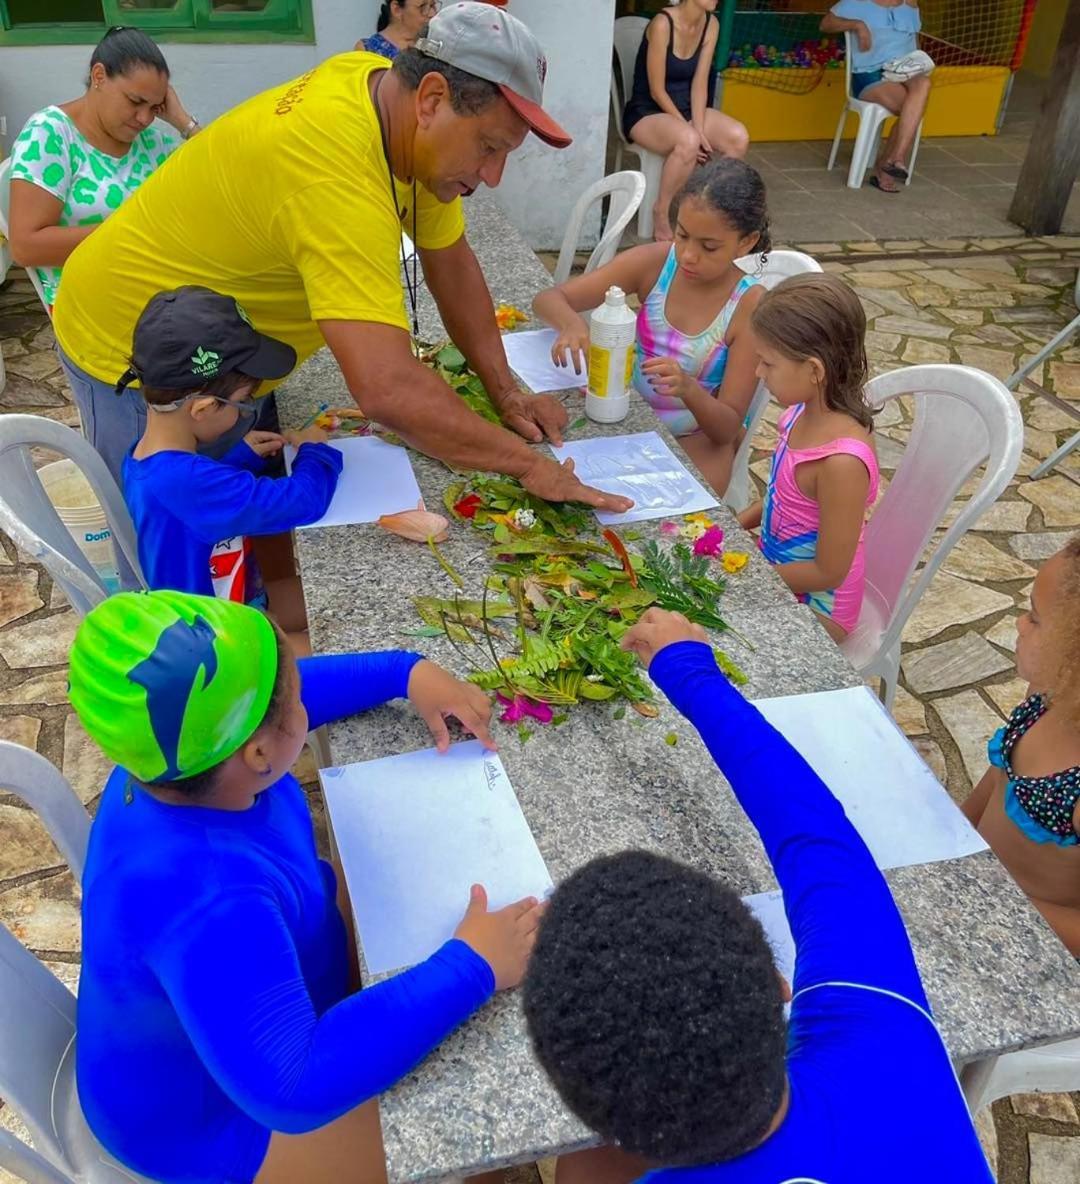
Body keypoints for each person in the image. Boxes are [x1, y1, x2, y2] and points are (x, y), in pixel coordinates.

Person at [51, 3, 630, 515]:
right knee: (166, 553)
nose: (492, 175)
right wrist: (531, 467)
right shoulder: (334, 172)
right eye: (489, 147)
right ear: (431, 98)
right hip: (136, 346)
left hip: (231, 353)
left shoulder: (383, 91)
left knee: (235, 523)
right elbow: (386, 386)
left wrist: (505, 391)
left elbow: (449, 260)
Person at [68, 588, 542, 1184]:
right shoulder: (210, 900)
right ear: (261, 751)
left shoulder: (177, 750)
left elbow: (290, 698)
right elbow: (293, 1087)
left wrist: (406, 672)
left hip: (242, 1030)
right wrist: (475, 964)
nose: (305, 698)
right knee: (488, 1112)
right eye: (293, 700)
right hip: (217, 1127)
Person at [522, 607, 995, 1184]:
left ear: (570, 1109)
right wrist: (687, 670)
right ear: (779, 989)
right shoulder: (885, 1032)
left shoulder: (878, 1026)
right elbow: (816, 836)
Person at [120, 287, 343, 655]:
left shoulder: (148, 459)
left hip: (235, 606)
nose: (244, 412)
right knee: (343, 647)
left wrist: (238, 459)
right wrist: (314, 450)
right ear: (204, 409)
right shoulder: (187, 482)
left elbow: (195, 502)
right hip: (215, 651)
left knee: (338, 599)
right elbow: (303, 501)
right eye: (242, 402)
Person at [533, 159, 766, 498]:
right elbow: (548, 298)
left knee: (675, 520)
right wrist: (572, 324)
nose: (687, 255)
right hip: (629, 414)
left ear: (746, 242)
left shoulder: (747, 306)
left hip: (696, 436)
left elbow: (727, 427)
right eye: (682, 235)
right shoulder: (657, 263)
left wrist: (689, 388)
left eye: (709, 247)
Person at [7, 26, 199, 311]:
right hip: (93, 305)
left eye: (155, 106)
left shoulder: (151, 143)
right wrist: (137, 234)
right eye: (135, 101)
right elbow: (25, 247)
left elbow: (220, 181)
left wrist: (184, 122)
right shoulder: (51, 135)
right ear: (99, 76)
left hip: (162, 294)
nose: (144, 118)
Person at [737, 274, 878, 643]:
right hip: (781, 571)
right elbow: (780, 499)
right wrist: (735, 528)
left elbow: (827, 572)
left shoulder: (842, 463)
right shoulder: (799, 413)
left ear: (814, 370)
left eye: (768, 363)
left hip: (819, 607)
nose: (758, 373)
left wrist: (749, 571)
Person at [963, 537, 1080, 957]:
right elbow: (1000, 775)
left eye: (1034, 617)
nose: (1019, 624)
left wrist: (998, 901)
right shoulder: (1046, 695)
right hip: (971, 901)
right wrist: (955, 834)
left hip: (1026, 949)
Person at [622, 0, 749, 241]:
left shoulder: (711, 24)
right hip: (649, 110)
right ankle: (661, 210)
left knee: (738, 137)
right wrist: (690, 130)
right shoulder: (662, 24)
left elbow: (700, 84)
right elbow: (656, 90)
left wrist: (699, 128)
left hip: (690, 109)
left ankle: (711, 206)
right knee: (688, 140)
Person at [821, 0, 931, 194]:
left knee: (924, 84)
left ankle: (893, 159)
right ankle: (888, 165)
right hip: (870, 74)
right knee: (912, 107)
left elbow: (914, 43)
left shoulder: (911, 5)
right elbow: (826, 24)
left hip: (903, 71)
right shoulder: (857, 2)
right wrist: (857, 25)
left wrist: (918, 64)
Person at [357, 0, 439, 60]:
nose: (432, 14)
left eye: (433, 5)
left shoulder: (435, 45)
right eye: (423, 7)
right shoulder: (368, 49)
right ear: (396, 9)